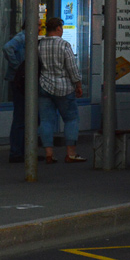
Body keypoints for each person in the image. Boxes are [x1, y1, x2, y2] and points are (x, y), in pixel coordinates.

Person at [38, 16, 85, 164]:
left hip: (44, 86)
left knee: (46, 120)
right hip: (64, 88)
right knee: (71, 119)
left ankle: (49, 154)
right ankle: (71, 153)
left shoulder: (39, 44)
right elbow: (72, 68)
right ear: (58, 28)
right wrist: (78, 85)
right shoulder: (64, 45)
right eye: (62, 28)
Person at [2, 26, 27, 163]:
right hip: (19, 81)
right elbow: (7, 48)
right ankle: (17, 151)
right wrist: (18, 67)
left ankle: (23, 150)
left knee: (25, 116)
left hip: (20, 79)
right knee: (20, 116)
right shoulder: (22, 37)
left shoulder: (26, 37)